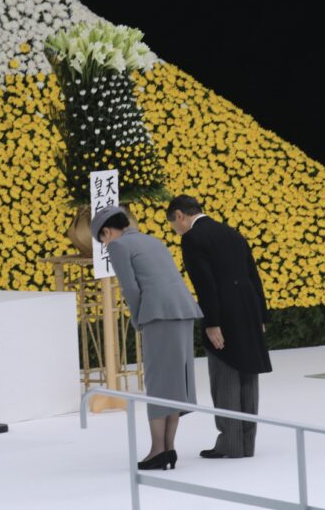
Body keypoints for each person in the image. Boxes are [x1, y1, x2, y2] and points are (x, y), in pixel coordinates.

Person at [90, 204, 203, 471]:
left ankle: (157, 450)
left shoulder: (118, 247)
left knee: (158, 380)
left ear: (107, 231)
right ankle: (168, 449)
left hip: (158, 315)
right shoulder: (152, 240)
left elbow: (131, 288)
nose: (105, 246)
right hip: (183, 311)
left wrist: (139, 319)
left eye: (102, 240)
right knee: (176, 381)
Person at [166, 195, 272, 459]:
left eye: (173, 223)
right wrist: (261, 316)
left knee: (224, 375)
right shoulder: (231, 232)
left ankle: (230, 444)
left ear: (180, 215)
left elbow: (205, 284)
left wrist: (212, 322)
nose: (175, 229)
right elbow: (252, 275)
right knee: (248, 373)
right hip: (247, 308)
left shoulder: (192, 238)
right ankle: (247, 445)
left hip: (223, 312)